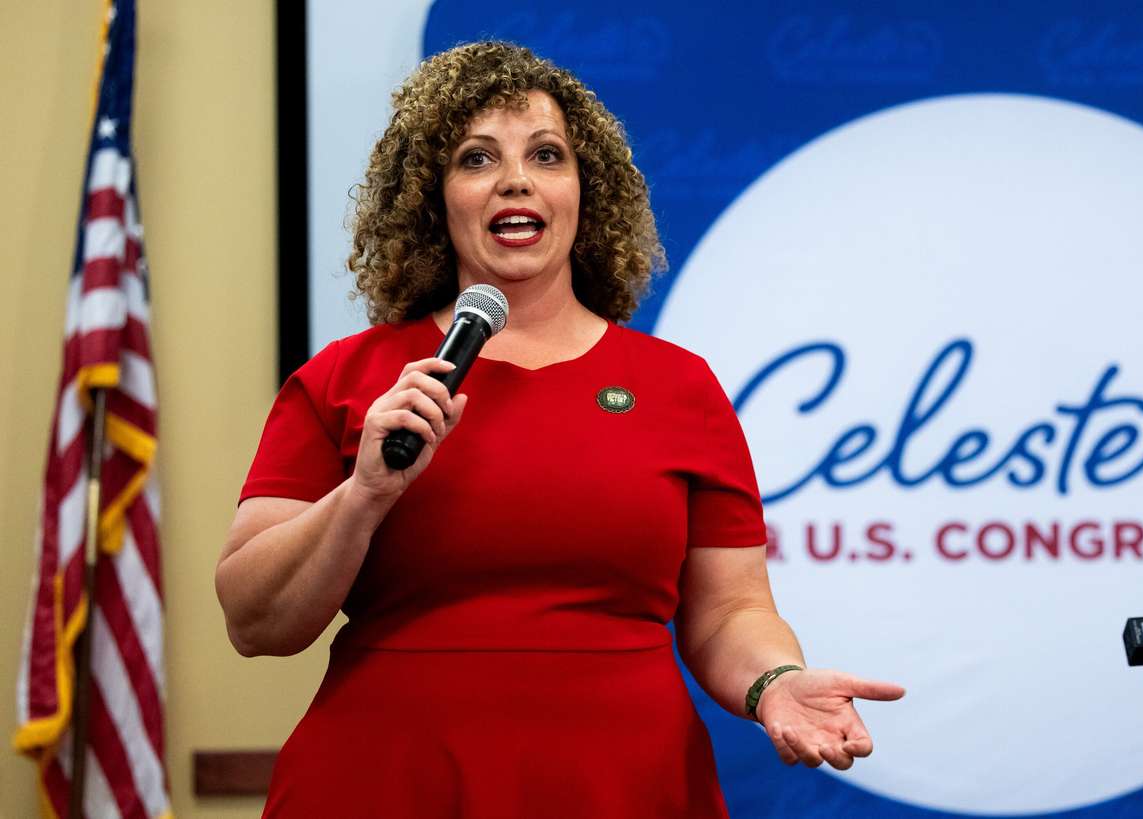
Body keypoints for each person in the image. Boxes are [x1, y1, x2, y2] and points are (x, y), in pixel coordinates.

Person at [216, 41, 905, 817]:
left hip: (623, 780)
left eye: (546, 155)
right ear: (432, 200)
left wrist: (775, 679)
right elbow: (253, 619)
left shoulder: (680, 387)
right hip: (389, 776)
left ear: (586, 191)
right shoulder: (348, 378)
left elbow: (728, 613)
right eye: (477, 158)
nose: (516, 178)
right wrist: (363, 495)